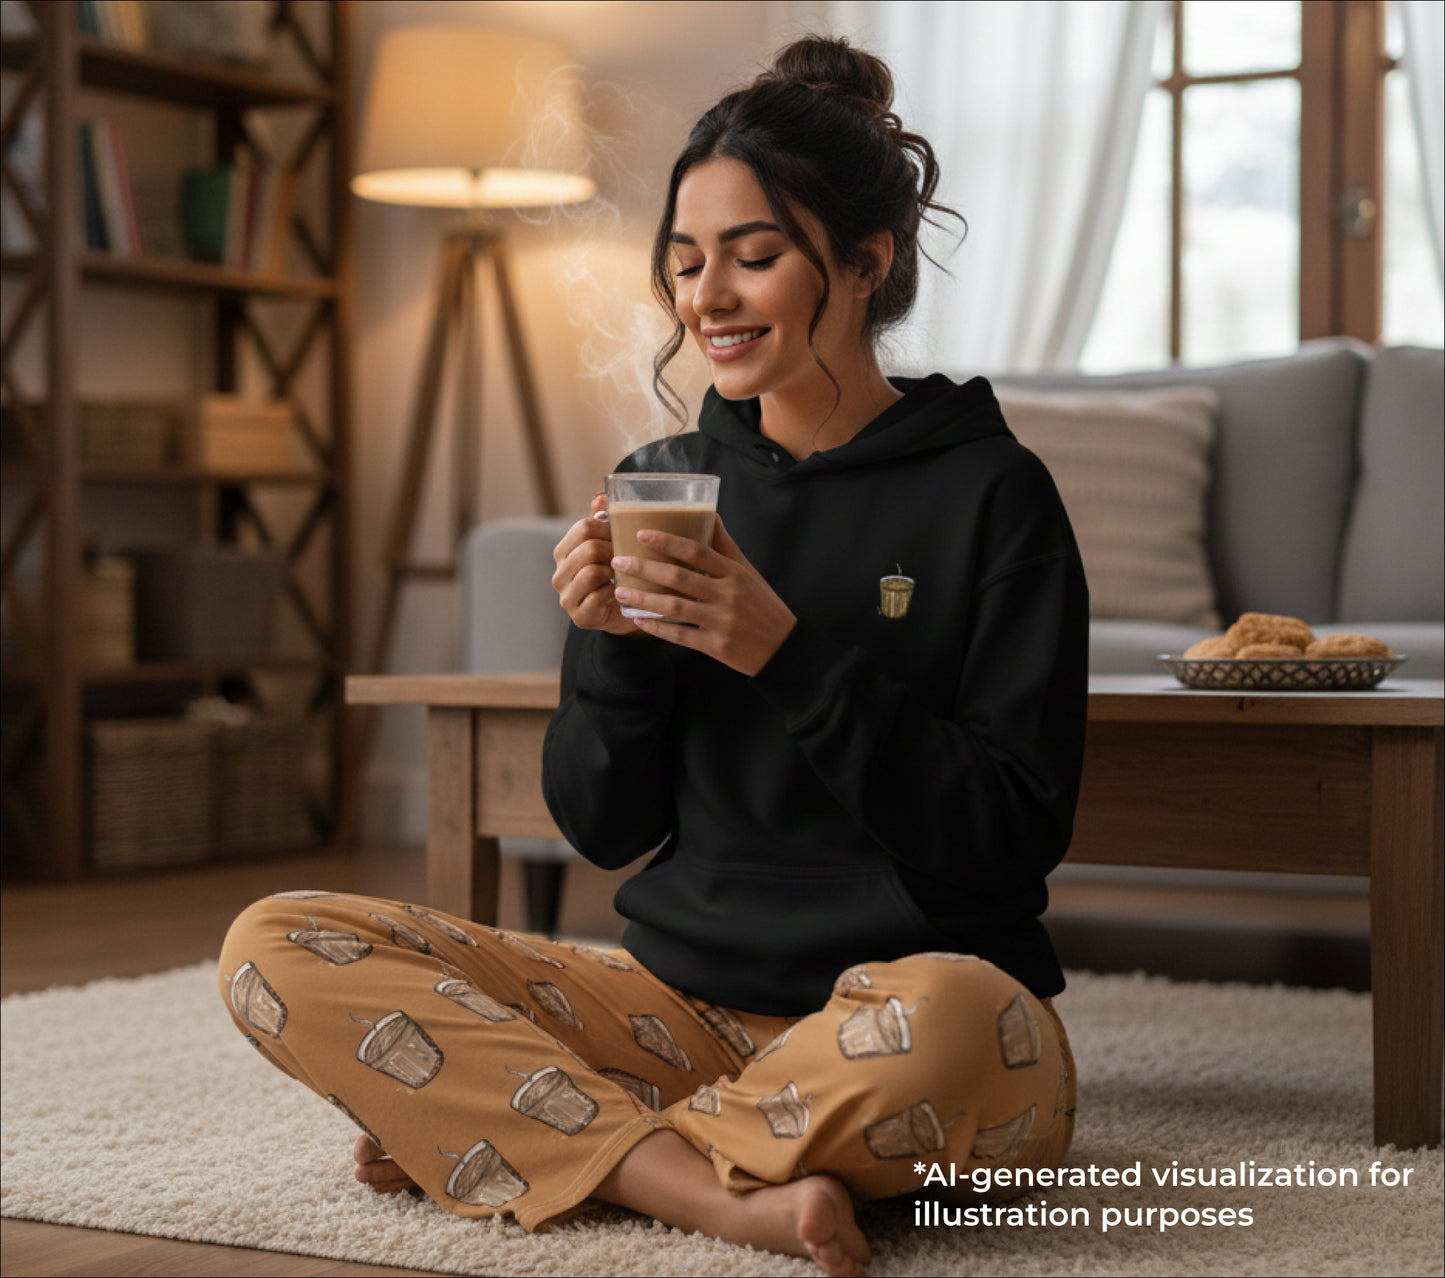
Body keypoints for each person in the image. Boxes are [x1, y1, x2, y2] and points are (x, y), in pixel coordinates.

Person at [219, 35, 1087, 1278]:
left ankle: (539, 1138)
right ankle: (711, 1188)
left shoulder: (992, 494)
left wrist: (781, 652)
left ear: (863, 262)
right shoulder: (660, 488)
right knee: (275, 942)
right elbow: (601, 825)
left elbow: (1004, 837)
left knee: (978, 1034)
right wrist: (610, 644)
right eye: (685, 263)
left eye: (753, 256)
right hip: (676, 1016)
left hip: (898, 1019)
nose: (706, 300)